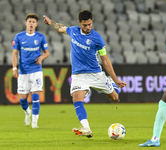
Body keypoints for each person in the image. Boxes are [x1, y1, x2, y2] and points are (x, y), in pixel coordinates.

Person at [43, 10, 127, 138]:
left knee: (115, 98)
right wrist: (51, 23)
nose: (88, 27)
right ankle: (86, 128)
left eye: (90, 24)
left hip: (95, 74)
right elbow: (61, 28)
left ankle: (109, 82)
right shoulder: (73, 31)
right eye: (85, 25)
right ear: (79, 23)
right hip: (78, 75)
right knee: (76, 98)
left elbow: (105, 59)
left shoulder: (97, 38)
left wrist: (115, 80)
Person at [12, 13, 49, 129]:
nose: (31, 24)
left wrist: (42, 58)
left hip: (36, 71)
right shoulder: (19, 37)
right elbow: (14, 53)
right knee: (22, 99)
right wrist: (14, 68)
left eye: (33, 22)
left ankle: (34, 122)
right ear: (26, 23)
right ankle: (27, 112)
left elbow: (46, 52)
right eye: (29, 22)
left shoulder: (40, 37)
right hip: (23, 72)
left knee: (35, 96)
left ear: (36, 24)